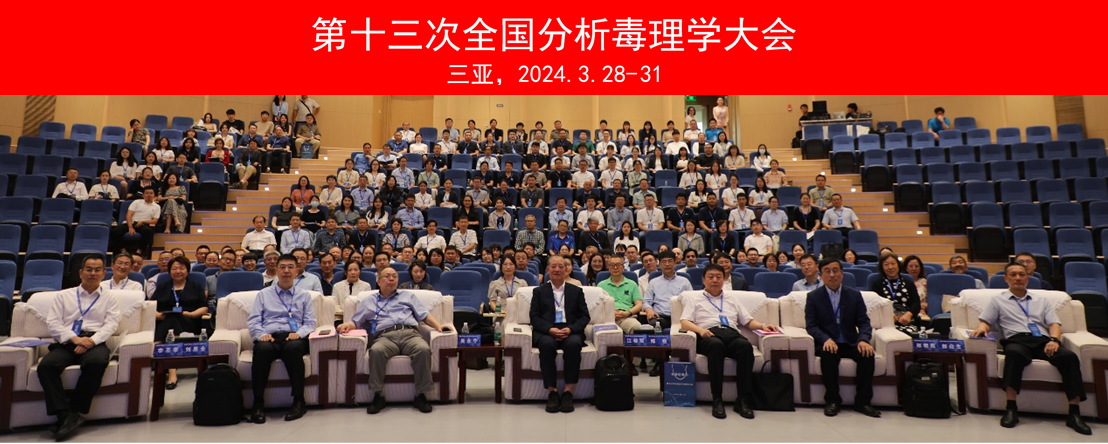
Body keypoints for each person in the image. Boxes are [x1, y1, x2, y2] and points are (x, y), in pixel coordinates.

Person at [970, 264, 1090, 435]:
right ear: (1006, 278)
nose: (1018, 278)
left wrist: (1054, 340)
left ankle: (1074, 413)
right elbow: (986, 322)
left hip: (1043, 341)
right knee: (1014, 354)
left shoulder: (1041, 300)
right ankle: (1011, 409)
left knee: (1069, 357)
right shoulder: (998, 300)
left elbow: (1054, 324)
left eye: (1021, 274)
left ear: (1028, 277)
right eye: (1013, 275)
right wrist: (981, 329)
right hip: (1016, 340)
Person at [337, 267, 450, 415]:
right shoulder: (369, 301)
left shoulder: (408, 296)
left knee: (423, 349)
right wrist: (347, 325)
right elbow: (356, 321)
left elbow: (424, 315)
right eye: (388, 276)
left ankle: (421, 395)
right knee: (376, 351)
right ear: (379, 281)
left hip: (410, 334)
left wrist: (439, 326)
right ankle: (378, 395)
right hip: (385, 336)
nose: (392, 279)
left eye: (395, 276)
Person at [37, 257, 120, 440]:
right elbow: (53, 323)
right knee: (46, 366)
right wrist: (75, 339)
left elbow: (111, 324)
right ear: (81, 272)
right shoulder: (64, 295)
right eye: (89, 269)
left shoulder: (110, 297)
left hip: (95, 341)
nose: (93, 273)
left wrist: (90, 341)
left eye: (97, 270)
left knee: (96, 362)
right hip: (68, 340)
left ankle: (75, 410)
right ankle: (64, 414)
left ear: (103, 273)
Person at [683, 263, 780, 419]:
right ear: (703, 280)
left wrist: (763, 325)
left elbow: (747, 321)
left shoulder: (732, 298)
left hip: (731, 334)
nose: (715, 280)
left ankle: (742, 399)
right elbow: (684, 322)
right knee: (716, 346)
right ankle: (717, 399)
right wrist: (700, 330)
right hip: (709, 334)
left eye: (718, 277)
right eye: (710, 277)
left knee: (745, 346)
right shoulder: (694, 299)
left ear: (724, 279)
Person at [806, 259, 881, 418]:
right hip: (828, 342)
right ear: (821, 275)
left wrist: (863, 340)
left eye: (835, 271)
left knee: (867, 355)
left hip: (850, 341)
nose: (832, 275)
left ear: (842, 274)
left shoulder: (854, 295)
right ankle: (832, 401)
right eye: (827, 271)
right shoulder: (813, 297)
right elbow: (811, 326)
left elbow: (864, 323)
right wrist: (825, 339)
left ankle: (863, 402)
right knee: (828, 357)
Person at [246, 254, 315, 424]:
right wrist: (261, 334)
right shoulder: (263, 294)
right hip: (269, 336)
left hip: (293, 336)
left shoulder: (304, 295)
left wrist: (299, 333)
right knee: (262, 350)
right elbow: (254, 320)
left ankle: (298, 401)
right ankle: (258, 403)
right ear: (276, 270)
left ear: (297, 271)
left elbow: (310, 323)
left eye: (290, 267)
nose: (286, 271)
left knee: (293, 349)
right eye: (282, 267)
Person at [530, 256, 590, 413]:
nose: (557, 269)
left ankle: (568, 392)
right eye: (553, 266)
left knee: (573, 345)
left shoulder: (576, 291)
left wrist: (571, 329)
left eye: (560, 266)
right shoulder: (539, 291)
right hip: (547, 330)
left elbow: (585, 316)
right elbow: (534, 317)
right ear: (548, 270)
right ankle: (552, 392)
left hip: (570, 329)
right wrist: (550, 329)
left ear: (566, 269)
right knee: (546, 345)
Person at [153, 256, 208, 389]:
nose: (178, 271)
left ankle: (157, 347)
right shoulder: (162, 287)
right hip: (165, 321)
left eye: (181, 268)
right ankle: (172, 371)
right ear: (169, 271)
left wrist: (191, 314)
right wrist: (159, 316)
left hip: (189, 322)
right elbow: (150, 306)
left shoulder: (196, 286)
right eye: (174, 268)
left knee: (173, 319)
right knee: (171, 319)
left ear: (187, 271)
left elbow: (204, 308)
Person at [871, 254, 921, 329]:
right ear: (882, 267)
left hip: (907, 321)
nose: (890, 267)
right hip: (885, 323)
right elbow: (875, 305)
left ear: (898, 265)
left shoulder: (908, 283)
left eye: (893, 263)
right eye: (886, 264)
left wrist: (909, 315)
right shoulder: (877, 284)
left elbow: (916, 303)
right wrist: (887, 315)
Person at [111, 186, 160, 256]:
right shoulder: (137, 202)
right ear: (143, 195)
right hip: (131, 222)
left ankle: (139, 251)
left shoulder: (157, 207)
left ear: (154, 195)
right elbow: (129, 215)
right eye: (147, 193)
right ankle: (123, 250)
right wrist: (130, 227)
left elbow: (154, 221)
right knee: (115, 232)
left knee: (149, 232)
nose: (149, 195)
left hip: (143, 224)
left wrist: (142, 222)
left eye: (151, 193)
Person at [599, 257, 643, 334]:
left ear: (623, 267)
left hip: (627, 317)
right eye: (612, 265)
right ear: (608, 268)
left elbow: (639, 304)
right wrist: (610, 313)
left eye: (618, 265)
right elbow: (598, 306)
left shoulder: (632, 284)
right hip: (607, 318)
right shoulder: (601, 285)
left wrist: (627, 313)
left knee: (637, 327)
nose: (615, 267)